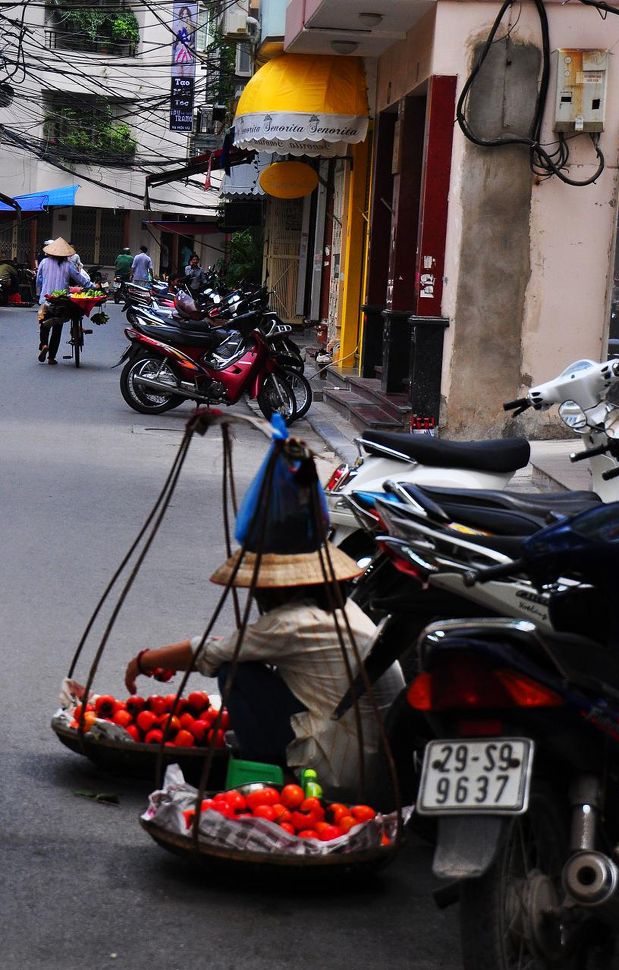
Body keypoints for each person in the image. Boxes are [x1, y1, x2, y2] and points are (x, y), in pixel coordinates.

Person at [121, 439, 404, 803]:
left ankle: (276, 774)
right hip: (373, 766)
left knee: (234, 671)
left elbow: (211, 651)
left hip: (341, 774)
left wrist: (144, 661)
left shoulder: (290, 623)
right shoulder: (340, 609)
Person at [35, 238, 90, 365]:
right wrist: (92, 286)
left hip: (46, 299)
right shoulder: (68, 265)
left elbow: (38, 281)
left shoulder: (44, 263)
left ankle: (44, 345)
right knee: (57, 329)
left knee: (44, 325)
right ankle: (51, 358)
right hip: (61, 302)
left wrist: (45, 286)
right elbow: (81, 279)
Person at [172, 5, 196, 79]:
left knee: (187, 78)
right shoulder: (176, 27)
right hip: (179, 52)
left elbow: (194, 42)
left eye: (186, 14)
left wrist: (189, 48)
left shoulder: (193, 27)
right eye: (183, 14)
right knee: (179, 77)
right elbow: (173, 42)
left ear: (189, 15)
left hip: (188, 53)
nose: (184, 16)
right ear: (180, 15)